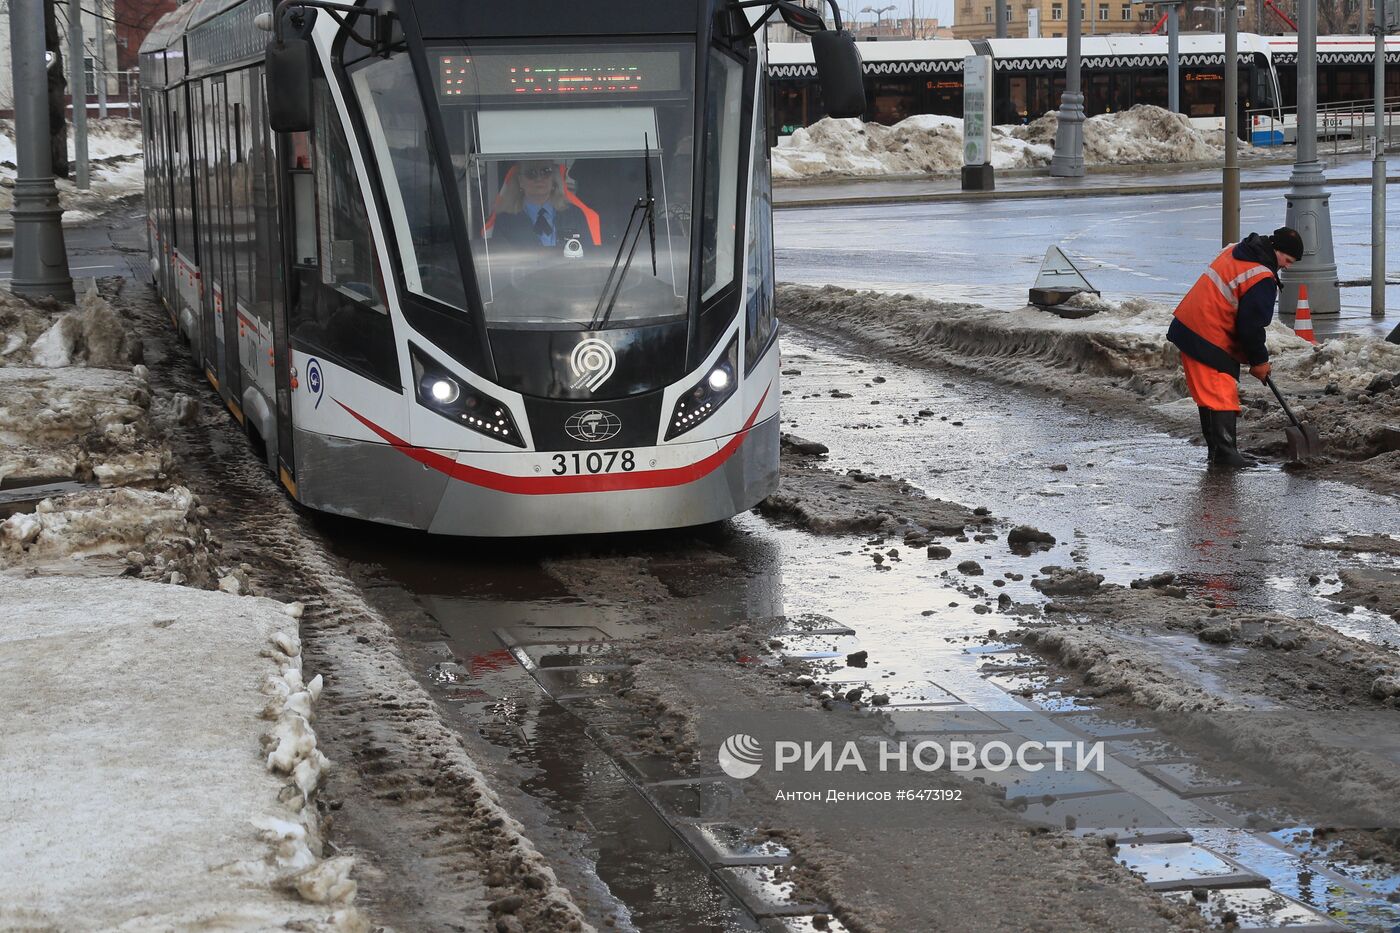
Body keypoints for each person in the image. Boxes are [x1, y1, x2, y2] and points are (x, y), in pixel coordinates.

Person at [1167, 226, 1305, 467]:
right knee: (1220, 395)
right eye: (1287, 259)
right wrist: (1259, 361)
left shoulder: (1236, 251)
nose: (1288, 266)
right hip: (1207, 334)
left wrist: (1255, 360)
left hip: (1193, 327)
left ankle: (1219, 451)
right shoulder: (1261, 277)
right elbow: (1251, 326)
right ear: (1275, 250)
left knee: (1210, 395)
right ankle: (1224, 454)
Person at [490, 160, 594, 251]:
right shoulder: (505, 222)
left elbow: (590, 256)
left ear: (553, 178)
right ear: (520, 181)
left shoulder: (575, 215)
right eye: (531, 173)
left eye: (546, 172)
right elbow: (498, 262)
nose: (539, 178)